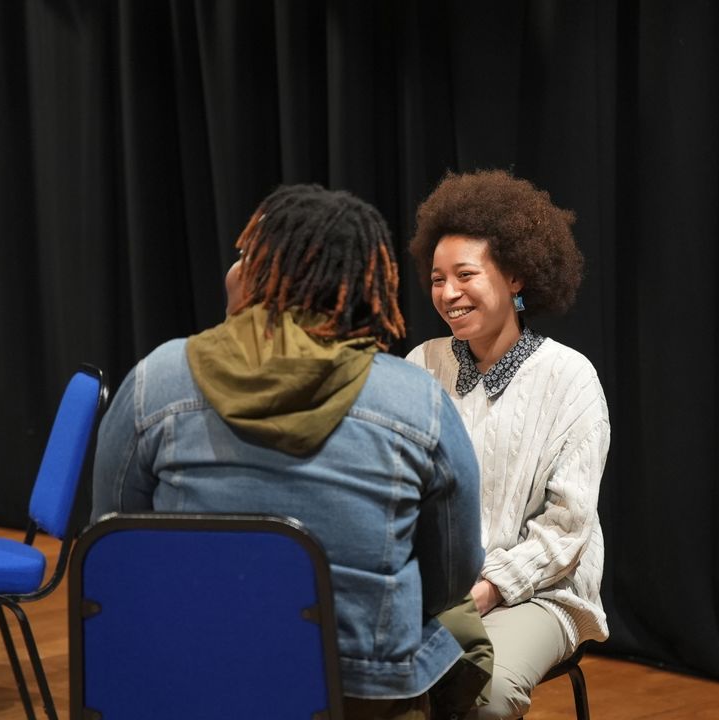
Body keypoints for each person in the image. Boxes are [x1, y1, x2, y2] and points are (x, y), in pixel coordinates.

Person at [91, 183, 486, 720]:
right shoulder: (419, 402)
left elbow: (110, 545)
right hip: (359, 694)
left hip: (189, 682)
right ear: (364, 284)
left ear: (254, 275)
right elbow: (452, 574)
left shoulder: (155, 382)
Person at [406, 170, 611, 720]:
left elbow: (568, 524)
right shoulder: (422, 365)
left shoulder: (569, 377)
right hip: (442, 591)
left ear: (515, 275)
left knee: (484, 695)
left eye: (465, 275)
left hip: (543, 592)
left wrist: (489, 589)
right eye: (436, 279)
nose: (448, 294)